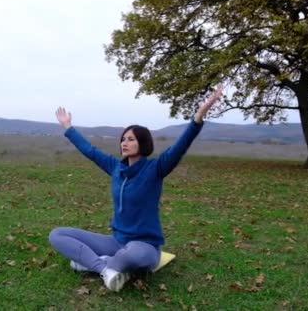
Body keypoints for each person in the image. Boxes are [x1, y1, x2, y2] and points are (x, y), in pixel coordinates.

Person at [49, 85, 223, 292]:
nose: (124, 142)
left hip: (145, 247)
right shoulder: (116, 168)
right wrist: (68, 127)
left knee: (131, 255)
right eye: (123, 139)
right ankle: (105, 269)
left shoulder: (155, 168)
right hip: (116, 242)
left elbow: (180, 146)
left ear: (142, 143)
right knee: (57, 235)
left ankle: (92, 263)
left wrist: (198, 117)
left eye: (130, 139)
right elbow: (91, 151)